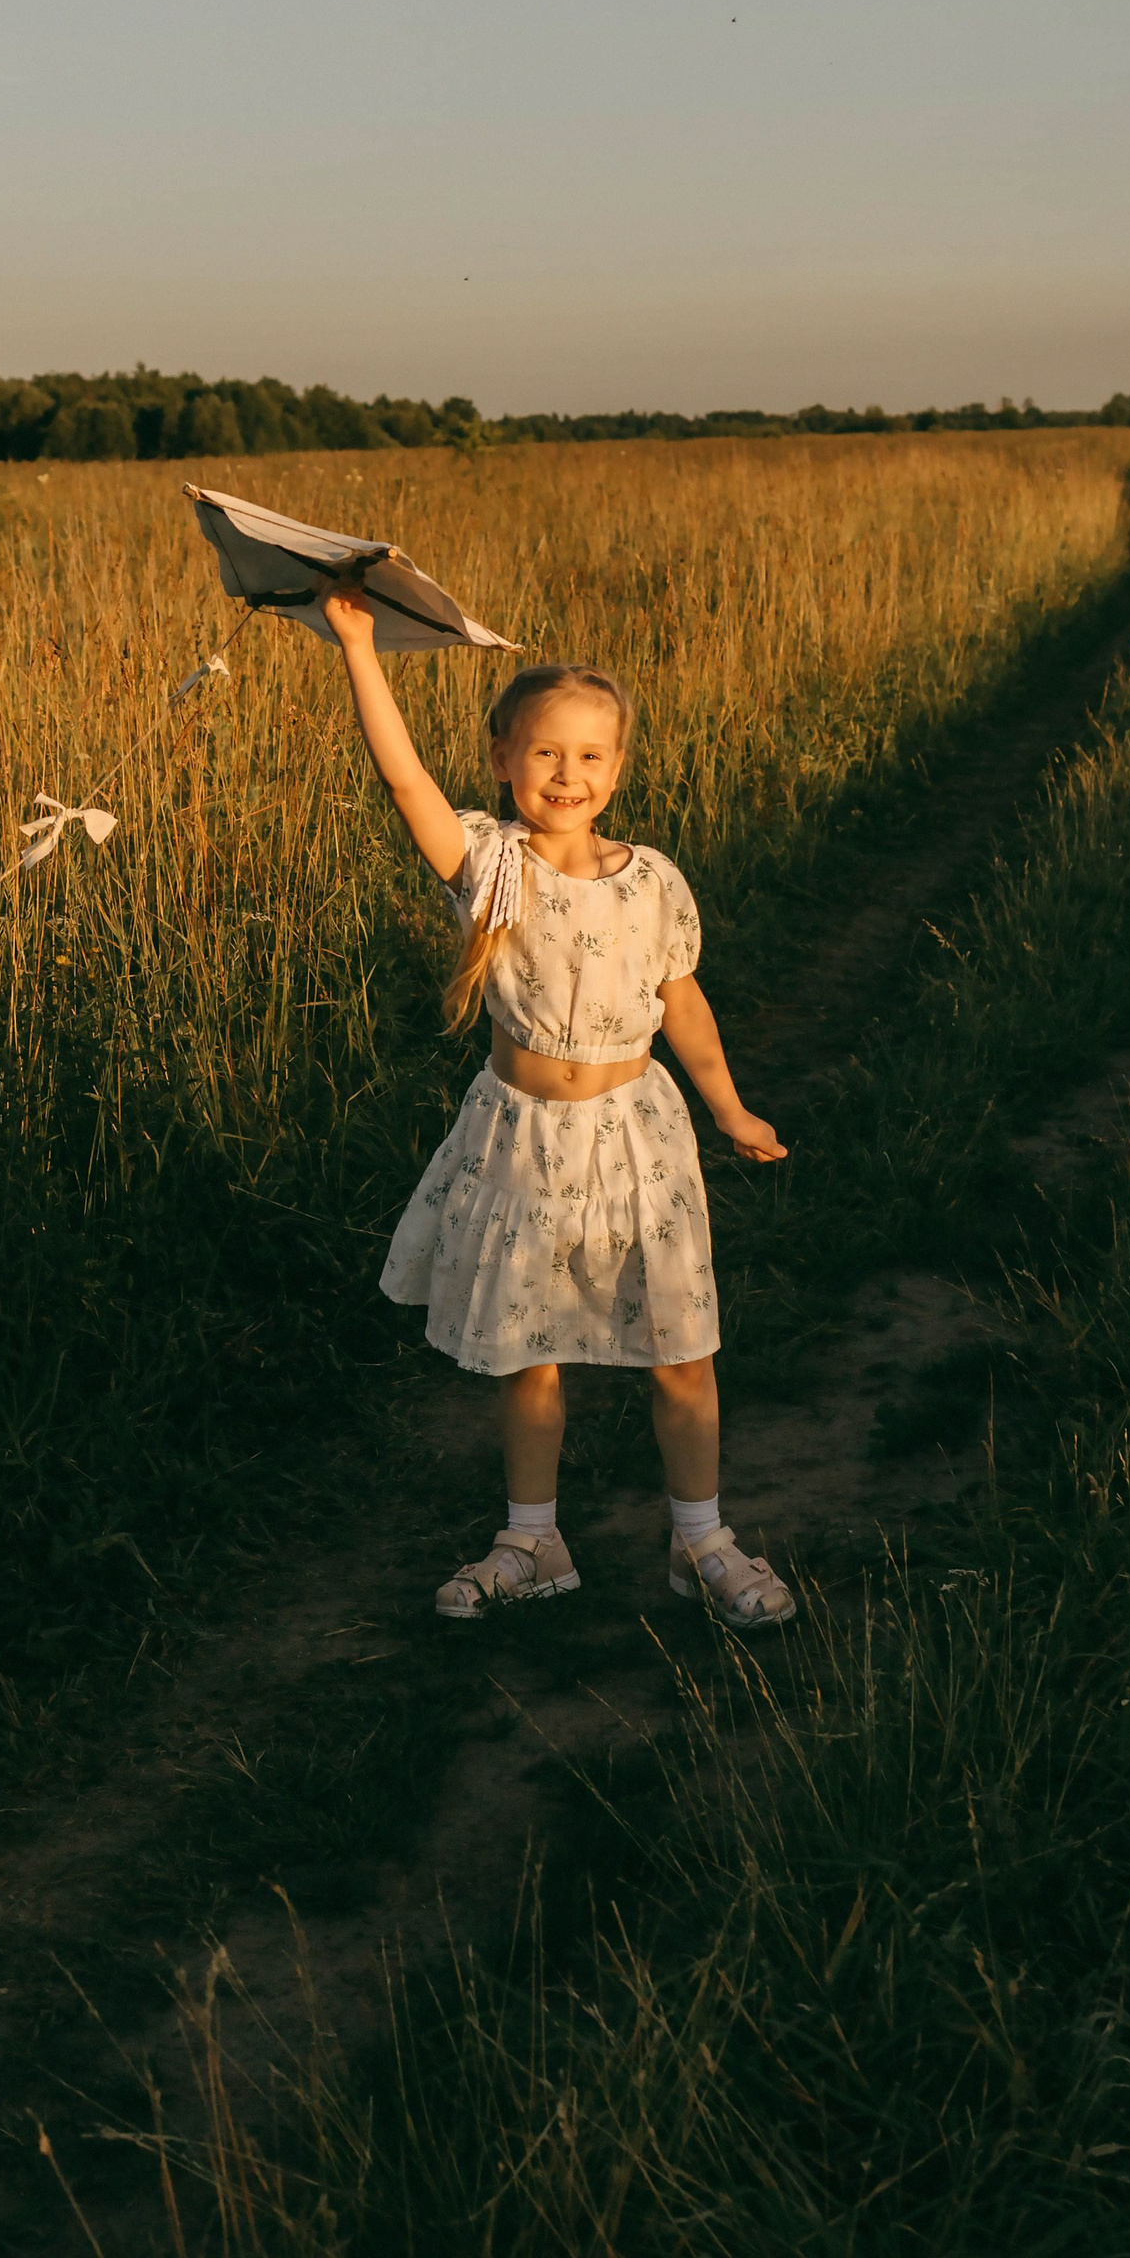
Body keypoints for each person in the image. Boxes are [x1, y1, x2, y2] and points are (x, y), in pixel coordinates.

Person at [323, 591, 796, 1628]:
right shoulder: (489, 867)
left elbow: (684, 1004)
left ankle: (701, 1537)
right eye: (544, 754)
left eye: (589, 757)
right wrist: (361, 647)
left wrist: (729, 1109)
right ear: (502, 758)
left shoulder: (655, 882)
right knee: (527, 1345)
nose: (566, 776)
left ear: (616, 770)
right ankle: (531, 1537)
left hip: (637, 1137)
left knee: (681, 1347)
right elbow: (402, 778)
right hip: (521, 1140)